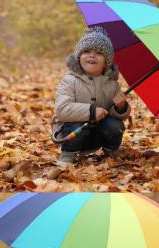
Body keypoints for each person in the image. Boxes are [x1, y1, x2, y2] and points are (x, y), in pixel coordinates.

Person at [52, 26, 130, 166]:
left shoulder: (112, 84)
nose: (92, 55)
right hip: (73, 133)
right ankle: (68, 154)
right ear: (79, 57)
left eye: (98, 53)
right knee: (74, 124)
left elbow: (117, 115)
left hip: (98, 132)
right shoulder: (70, 80)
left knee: (115, 125)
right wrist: (92, 111)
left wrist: (120, 108)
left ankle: (110, 150)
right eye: (86, 51)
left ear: (106, 61)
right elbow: (62, 109)